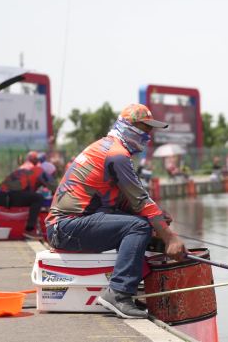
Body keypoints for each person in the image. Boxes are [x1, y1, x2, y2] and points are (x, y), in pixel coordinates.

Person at [45, 103, 186, 319]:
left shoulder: (107, 147)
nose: (147, 136)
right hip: (64, 228)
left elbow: (126, 201)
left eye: (150, 130)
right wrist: (170, 238)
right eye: (144, 129)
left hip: (71, 225)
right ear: (128, 126)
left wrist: (159, 220)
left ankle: (129, 289)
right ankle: (119, 294)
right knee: (138, 226)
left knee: (146, 222)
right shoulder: (116, 154)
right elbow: (140, 200)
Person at [0, 161, 58, 239]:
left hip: (0, 196)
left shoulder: (29, 171)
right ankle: (29, 230)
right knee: (38, 198)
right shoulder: (40, 171)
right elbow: (55, 187)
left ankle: (31, 227)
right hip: (7, 197)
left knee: (33, 198)